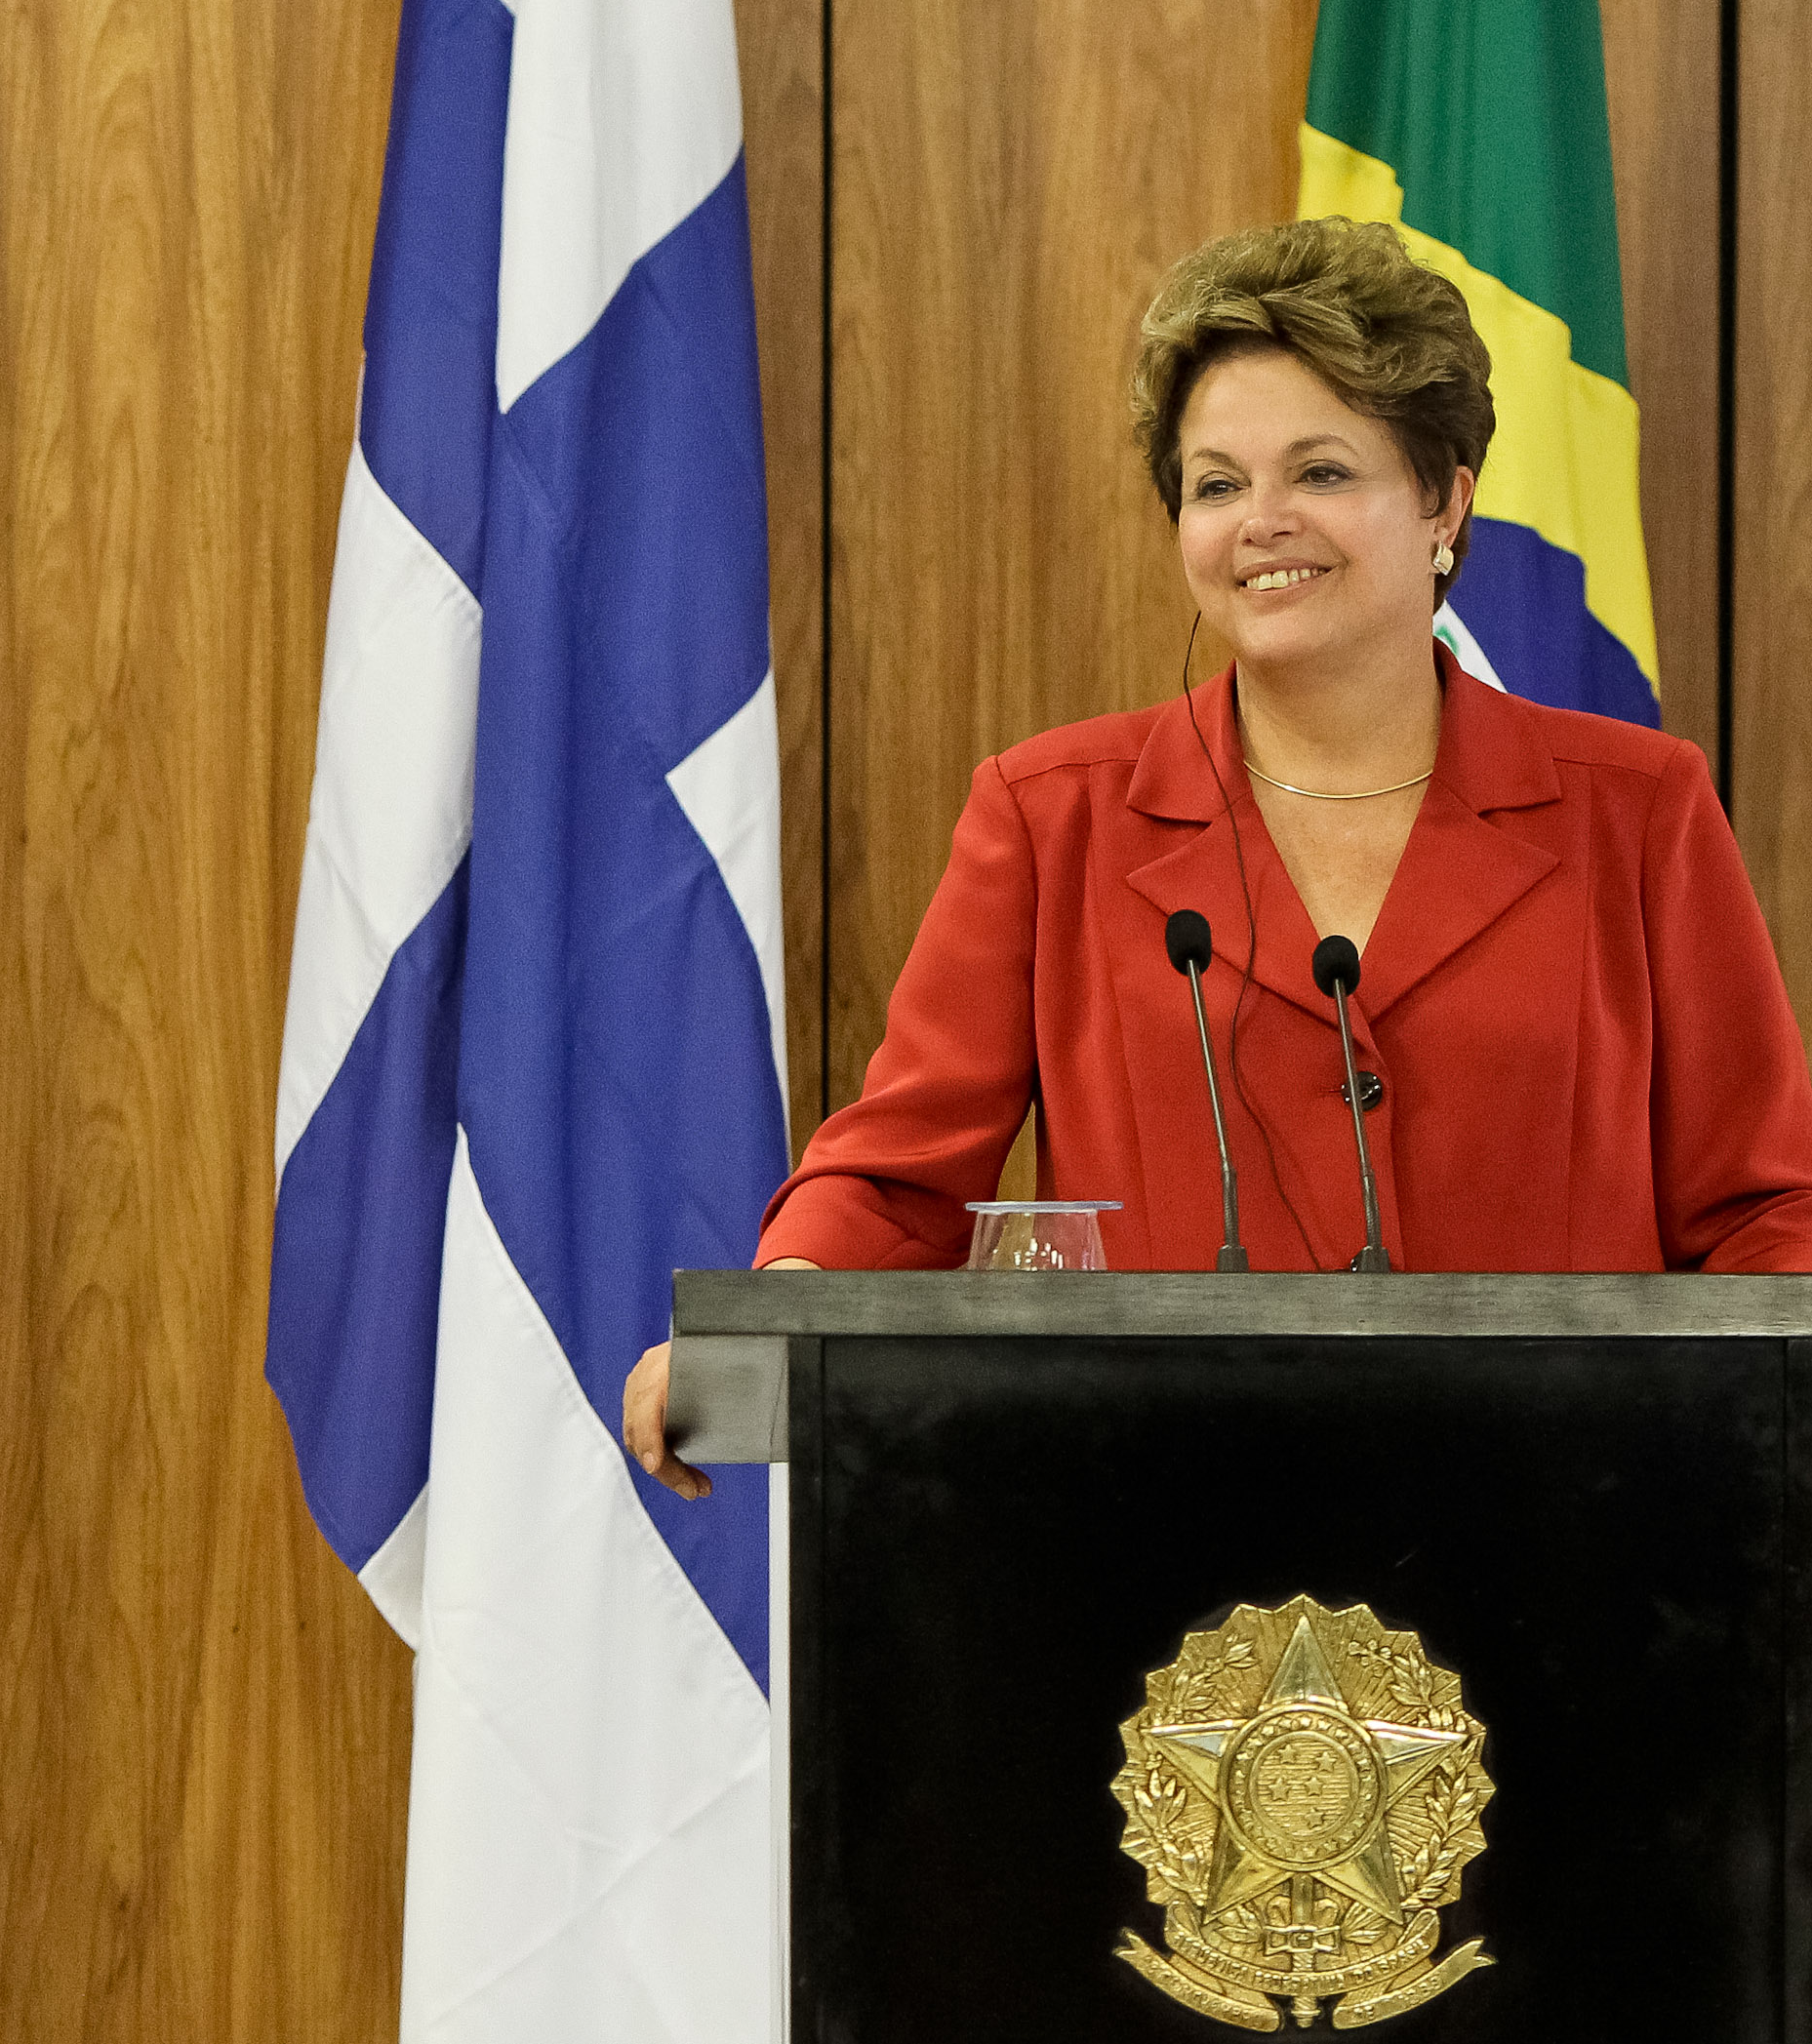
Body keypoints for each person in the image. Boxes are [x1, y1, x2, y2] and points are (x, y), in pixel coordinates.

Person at [624, 217, 1812, 1491]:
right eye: (1216, 483)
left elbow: (1764, 1214)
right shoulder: (1051, 817)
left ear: (1442, 501)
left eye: (1319, 471)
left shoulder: (1634, 810)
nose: (1262, 521)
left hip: (1574, 1542)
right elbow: (898, 1173)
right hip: (1160, 1555)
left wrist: (1708, 1455)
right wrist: (772, 1315)